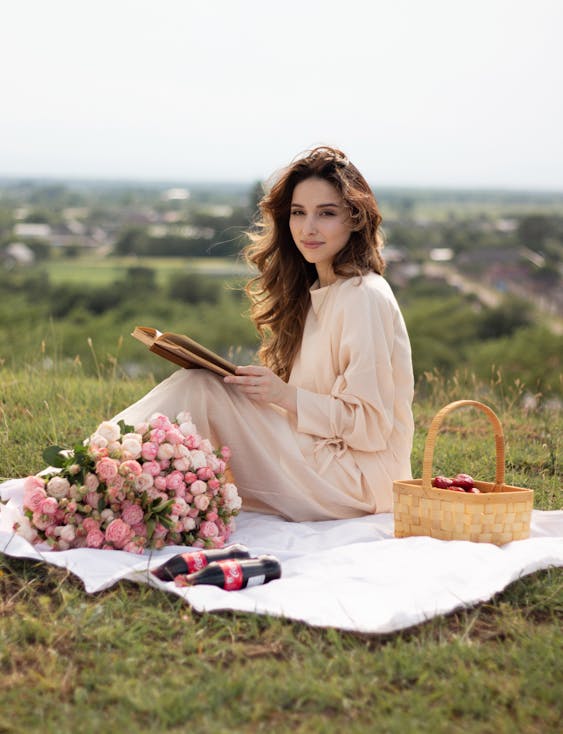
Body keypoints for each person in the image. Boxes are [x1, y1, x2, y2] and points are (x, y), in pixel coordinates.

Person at [112, 146, 414, 521]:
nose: (309, 228)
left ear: (355, 219)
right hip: (320, 458)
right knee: (203, 381)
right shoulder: (319, 292)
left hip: (360, 482)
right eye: (299, 213)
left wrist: (283, 395)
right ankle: (107, 474)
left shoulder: (363, 297)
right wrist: (259, 393)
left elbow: (370, 427)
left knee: (200, 390)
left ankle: (95, 465)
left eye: (327, 213)